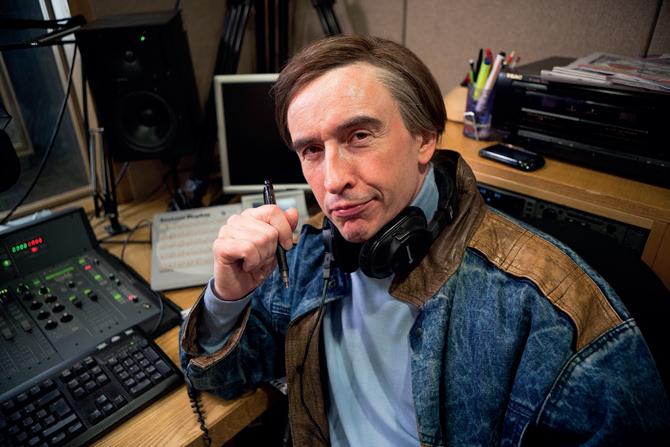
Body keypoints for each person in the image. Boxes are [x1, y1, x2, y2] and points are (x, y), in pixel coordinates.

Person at [180, 35, 669, 446]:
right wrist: (229, 294)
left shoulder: (550, 313)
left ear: (425, 138)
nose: (332, 180)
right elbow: (218, 375)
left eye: (359, 136)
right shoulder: (310, 257)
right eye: (311, 149)